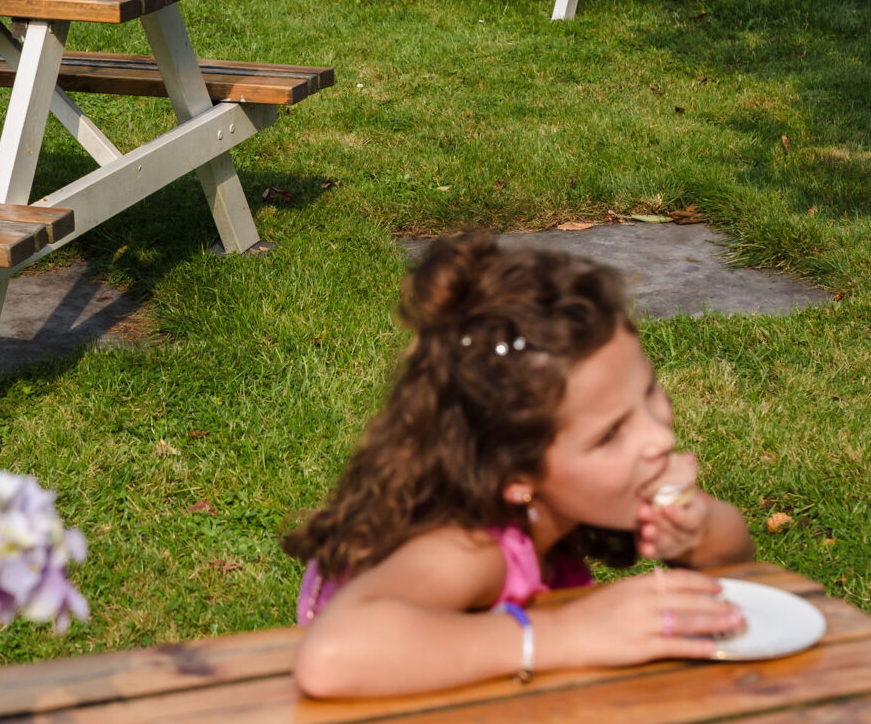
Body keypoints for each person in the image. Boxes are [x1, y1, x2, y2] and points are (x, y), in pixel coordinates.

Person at [284, 231, 754, 698]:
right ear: (517, 476)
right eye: (609, 435)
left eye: (649, 391)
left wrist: (698, 530)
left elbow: (736, 559)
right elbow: (331, 657)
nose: (659, 437)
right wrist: (570, 635)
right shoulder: (471, 549)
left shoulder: (584, 487)